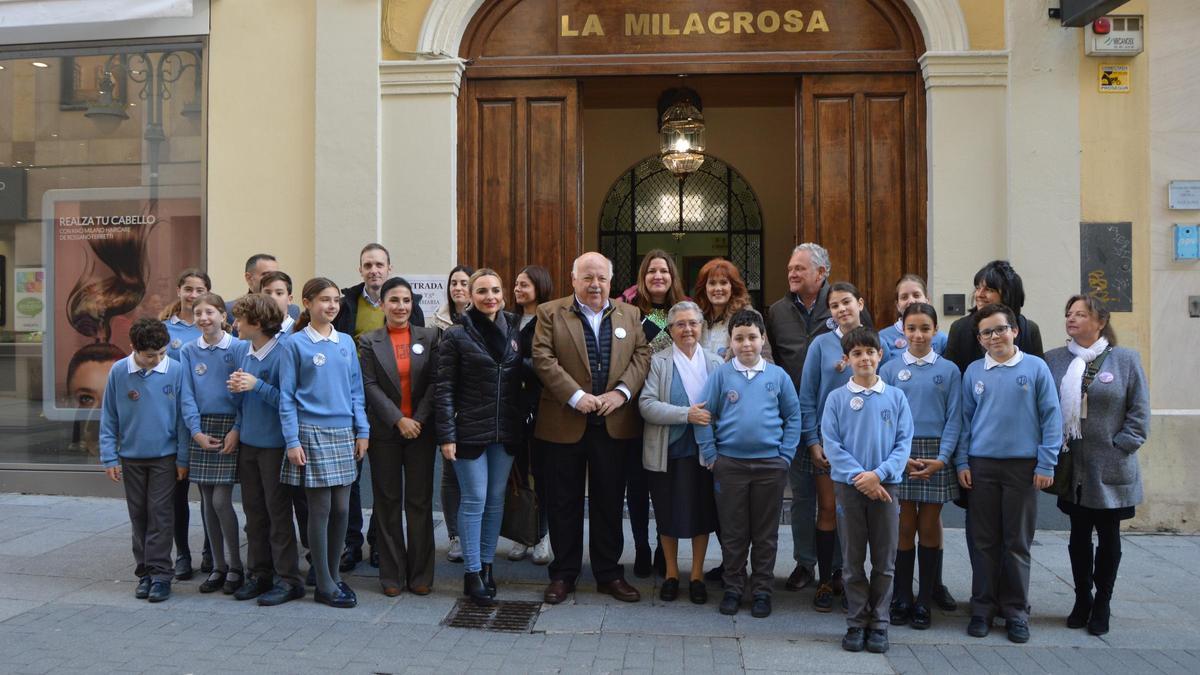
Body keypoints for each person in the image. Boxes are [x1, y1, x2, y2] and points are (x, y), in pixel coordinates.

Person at [533, 252, 651, 605]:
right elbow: (542, 357)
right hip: (564, 423)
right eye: (587, 277)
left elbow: (642, 355)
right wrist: (575, 395)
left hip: (613, 424)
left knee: (609, 501)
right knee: (563, 502)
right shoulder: (549, 312)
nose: (594, 284)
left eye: (601, 277)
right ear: (573, 279)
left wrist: (621, 393)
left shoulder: (632, 314)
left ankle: (608, 573)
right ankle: (564, 574)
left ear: (611, 281)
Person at [766, 243, 872, 593]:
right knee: (802, 497)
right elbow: (774, 362)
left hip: (844, 427)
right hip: (793, 417)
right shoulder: (777, 311)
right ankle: (804, 563)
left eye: (800, 268)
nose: (792, 274)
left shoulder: (845, 308)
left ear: (821, 273)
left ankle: (839, 567)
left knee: (837, 501)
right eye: (790, 269)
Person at [1045, 295, 1149, 636]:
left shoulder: (1125, 360)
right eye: (1068, 314)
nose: (1071, 319)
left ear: (1100, 321)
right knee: (1078, 536)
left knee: (1109, 536)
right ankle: (1081, 598)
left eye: (1080, 314)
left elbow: (1139, 412)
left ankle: (1103, 601)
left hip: (1111, 465)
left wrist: (1121, 446)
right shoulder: (1055, 360)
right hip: (1073, 466)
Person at [957, 303, 1062, 644]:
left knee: (1017, 542)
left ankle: (1016, 611)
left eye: (1000, 329)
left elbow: (1051, 416)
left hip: (1023, 467)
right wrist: (962, 462)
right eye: (987, 332)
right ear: (980, 339)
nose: (995, 336)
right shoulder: (974, 371)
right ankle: (982, 608)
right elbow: (965, 422)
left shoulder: (1035, 368)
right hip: (982, 466)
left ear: (1015, 330)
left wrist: (1046, 462)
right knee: (983, 541)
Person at [696, 309, 800, 619]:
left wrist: (785, 456)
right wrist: (711, 455)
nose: (746, 344)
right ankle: (733, 588)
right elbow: (703, 416)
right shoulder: (721, 375)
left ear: (763, 339)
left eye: (752, 337)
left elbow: (793, 416)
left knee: (765, 533)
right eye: (739, 338)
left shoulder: (777, 376)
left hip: (771, 465)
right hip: (730, 466)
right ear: (730, 341)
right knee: (734, 531)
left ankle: (762, 591)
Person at [278, 278, 370, 609]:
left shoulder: (345, 342)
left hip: (343, 432)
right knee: (321, 509)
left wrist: (363, 431)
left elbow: (356, 391)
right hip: (310, 432)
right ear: (307, 303)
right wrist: (291, 440)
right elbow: (286, 397)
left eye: (335, 300)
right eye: (323, 300)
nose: (331, 306)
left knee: (343, 508)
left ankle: (333, 575)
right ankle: (325, 583)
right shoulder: (295, 345)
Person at [435, 268, 525, 606]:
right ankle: (471, 573)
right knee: (474, 498)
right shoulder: (457, 335)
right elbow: (444, 389)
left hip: (506, 429)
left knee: (496, 500)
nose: (490, 297)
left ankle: (488, 566)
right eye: (482, 291)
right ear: (470, 296)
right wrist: (447, 435)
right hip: (469, 430)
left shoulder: (516, 329)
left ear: (503, 294)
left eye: (496, 290)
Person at [822, 327, 913, 655]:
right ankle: (856, 621)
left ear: (880, 355)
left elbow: (903, 444)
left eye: (869, 352)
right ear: (846, 360)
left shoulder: (895, 397)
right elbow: (832, 445)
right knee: (853, 558)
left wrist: (879, 475)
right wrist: (861, 477)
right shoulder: (836, 399)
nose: (864, 358)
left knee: (885, 558)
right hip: (849, 487)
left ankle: (880, 622)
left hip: (886, 486)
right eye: (856, 353)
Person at [799, 281, 884, 611]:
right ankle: (825, 579)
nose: (841, 309)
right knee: (830, 509)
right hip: (827, 442)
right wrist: (812, 440)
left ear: (859, 303)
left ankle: (852, 581)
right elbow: (808, 396)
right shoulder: (821, 345)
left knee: (858, 515)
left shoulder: (875, 343)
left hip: (865, 444)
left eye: (846, 302)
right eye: (834, 305)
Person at [335, 244, 419, 574]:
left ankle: (380, 541)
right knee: (351, 477)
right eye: (367, 265)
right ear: (360, 270)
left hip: (391, 407)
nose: (374, 270)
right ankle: (351, 542)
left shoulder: (405, 303)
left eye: (379, 264)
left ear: (389, 267)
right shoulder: (347, 304)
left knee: (386, 481)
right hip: (352, 401)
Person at [879, 302, 962, 630]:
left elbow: (955, 417)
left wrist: (942, 458)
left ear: (935, 331)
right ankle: (901, 597)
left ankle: (924, 599)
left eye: (925, 328)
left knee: (928, 525)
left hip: (935, 453)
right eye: (911, 328)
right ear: (902, 329)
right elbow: (884, 417)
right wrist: (898, 455)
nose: (918, 335)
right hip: (902, 450)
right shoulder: (889, 369)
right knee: (903, 526)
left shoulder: (950, 370)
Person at [358, 277, 442, 596]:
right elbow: (369, 386)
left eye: (406, 300)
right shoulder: (369, 341)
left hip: (421, 431)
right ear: (383, 304)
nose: (401, 307)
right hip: (385, 433)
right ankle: (391, 575)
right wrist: (397, 420)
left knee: (419, 503)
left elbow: (436, 381)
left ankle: (421, 575)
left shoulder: (429, 337)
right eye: (394, 300)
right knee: (387, 503)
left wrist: (416, 419)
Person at [99, 318, 189, 603]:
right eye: (150, 355)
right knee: (139, 515)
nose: (157, 359)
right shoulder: (119, 371)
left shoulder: (175, 370)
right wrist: (109, 456)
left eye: (161, 353)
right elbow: (109, 415)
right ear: (133, 349)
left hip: (165, 457)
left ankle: (162, 574)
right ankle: (145, 573)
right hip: (131, 457)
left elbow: (182, 419)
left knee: (161, 515)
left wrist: (183, 458)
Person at [225, 294, 306, 605]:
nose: (234, 324)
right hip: (250, 444)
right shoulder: (248, 352)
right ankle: (259, 574)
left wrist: (255, 386)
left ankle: (289, 579)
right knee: (254, 513)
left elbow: (290, 401)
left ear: (256, 324)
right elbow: (244, 401)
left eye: (239, 319)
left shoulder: (283, 352)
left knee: (278, 514)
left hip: (274, 447)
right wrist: (237, 421)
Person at [638, 300, 721, 604]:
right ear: (670, 330)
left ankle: (697, 574)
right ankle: (672, 573)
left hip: (704, 453)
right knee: (667, 513)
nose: (687, 329)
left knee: (702, 513)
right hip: (668, 451)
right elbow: (647, 405)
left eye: (693, 323)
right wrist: (687, 414)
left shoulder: (715, 362)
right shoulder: (658, 361)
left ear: (702, 327)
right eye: (680, 324)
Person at [179, 292, 249, 596]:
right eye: (198, 314)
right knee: (206, 502)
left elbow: (245, 395)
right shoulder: (189, 351)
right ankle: (218, 567)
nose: (204, 318)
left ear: (223, 315)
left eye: (210, 312)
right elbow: (187, 395)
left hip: (229, 426)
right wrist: (195, 431)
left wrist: (237, 428)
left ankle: (236, 566)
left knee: (221, 500)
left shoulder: (239, 348)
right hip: (202, 428)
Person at [627, 250, 686, 577]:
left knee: (668, 486)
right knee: (637, 484)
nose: (658, 276)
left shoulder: (685, 309)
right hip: (635, 405)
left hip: (671, 408)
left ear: (672, 275)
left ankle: (668, 550)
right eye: (651, 272)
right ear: (643, 277)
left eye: (663, 270)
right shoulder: (629, 310)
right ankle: (641, 546)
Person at [157, 268, 210, 580]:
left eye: (199, 289)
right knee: (177, 496)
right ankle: (183, 554)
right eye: (188, 289)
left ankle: (209, 551)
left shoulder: (212, 325)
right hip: (171, 421)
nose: (193, 295)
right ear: (178, 290)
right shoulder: (165, 329)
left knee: (209, 494)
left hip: (204, 421)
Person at [510, 265, 554, 564]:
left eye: (524, 284)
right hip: (512, 408)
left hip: (540, 408)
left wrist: (517, 364)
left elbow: (547, 363)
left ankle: (541, 535)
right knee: (517, 474)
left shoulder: (548, 320)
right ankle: (521, 535)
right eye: (515, 284)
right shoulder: (509, 320)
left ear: (539, 286)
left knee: (542, 474)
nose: (517, 289)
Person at [431, 264, 474, 563]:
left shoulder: (487, 318)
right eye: (454, 282)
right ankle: (455, 535)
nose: (458, 287)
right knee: (450, 474)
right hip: (449, 405)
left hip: (477, 406)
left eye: (464, 282)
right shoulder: (438, 323)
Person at [944, 260, 1043, 372]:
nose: (979, 295)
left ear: (1007, 294)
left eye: (989, 290)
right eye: (977, 288)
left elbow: (1038, 375)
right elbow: (952, 376)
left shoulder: (1029, 330)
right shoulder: (959, 328)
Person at [693, 258, 772, 362]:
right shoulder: (695, 319)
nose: (718, 288)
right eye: (712, 283)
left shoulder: (749, 317)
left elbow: (766, 359)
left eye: (723, 282)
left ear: (733, 287)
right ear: (704, 288)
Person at [878, 275, 948, 363]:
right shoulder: (882, 337)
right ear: (897, 305)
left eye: (916, 295)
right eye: (904, 297)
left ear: (927, 300)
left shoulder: (943, 339)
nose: (911, 301)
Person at [226, 253, 300, 322]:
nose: (273, 278)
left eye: (276, 274)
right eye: (266, 274)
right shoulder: (229, 310)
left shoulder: (292, 310)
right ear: (249, 278)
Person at [260, 271, 296, 336]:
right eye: (267, 293)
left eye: (279, 293)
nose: (272, 297)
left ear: (289, 299)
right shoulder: (253, 331)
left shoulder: (297, 333)